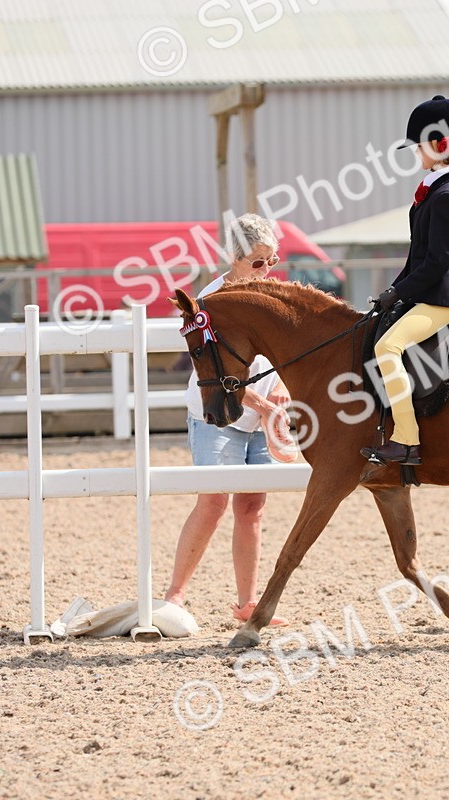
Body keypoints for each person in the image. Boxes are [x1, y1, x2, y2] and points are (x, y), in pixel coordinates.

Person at [164, 213, 288, 625]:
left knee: (252, 507)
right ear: (233, 259)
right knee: (213, 501)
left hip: (259, 414)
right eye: (257, 262)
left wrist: (282, 392)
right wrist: (267, 406)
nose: (266, 270)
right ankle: (174, 596)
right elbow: (221, 377)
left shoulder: (271, 295)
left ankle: (248, 603)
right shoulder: (212, 303)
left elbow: (280, 354)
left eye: (272, 261)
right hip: (218, 415)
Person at [361, 95, 449, 466]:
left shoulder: (446, 196)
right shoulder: (436, 190)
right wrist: (393, 293)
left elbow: (437, 263)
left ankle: (407, 441)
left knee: (387, 348)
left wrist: (399, 292)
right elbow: (417, 257)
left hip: (446, 295)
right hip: (433, 289)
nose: (416, 154)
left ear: (441, 145)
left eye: (419, 147)